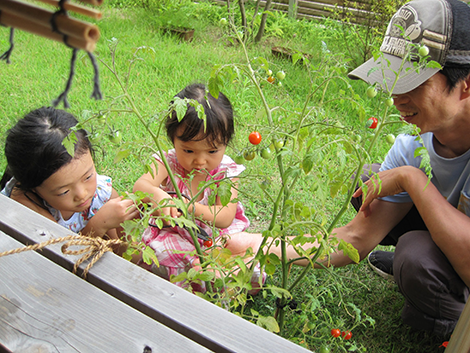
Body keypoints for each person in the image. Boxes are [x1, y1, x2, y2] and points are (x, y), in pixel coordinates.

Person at [228, 0, 470, 338]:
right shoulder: (411, 145)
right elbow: (356, 237)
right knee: (370, 179)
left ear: (465, 84)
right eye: (392, 80)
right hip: (453, 226)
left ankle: (454, 322)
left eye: (412, 83)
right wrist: (256, 245)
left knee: (415, 257)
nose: (396, 97)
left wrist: (412, 180)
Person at [133, 83, 264, 292]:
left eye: (212, 151)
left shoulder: (226, 172)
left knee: (237, 260)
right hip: (176, 234)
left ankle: (210, 281)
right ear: (173, 140)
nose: (200, 160)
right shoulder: (168, 162)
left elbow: (224, 217)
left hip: (216, 238)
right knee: (165, 254)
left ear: (226, 143)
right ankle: (188, 283)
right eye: (188, 150)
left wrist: (190, 207)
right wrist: (158, 194)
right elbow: (140, 186)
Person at [0, 107, 140, 256]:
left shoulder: (102, 195)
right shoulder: (25, 206)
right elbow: (61, 260)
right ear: (33, 187)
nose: (82, 194)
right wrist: (99, 224)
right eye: (64, 191)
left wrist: (127, 230)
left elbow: (121, 256)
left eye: (88, 176)